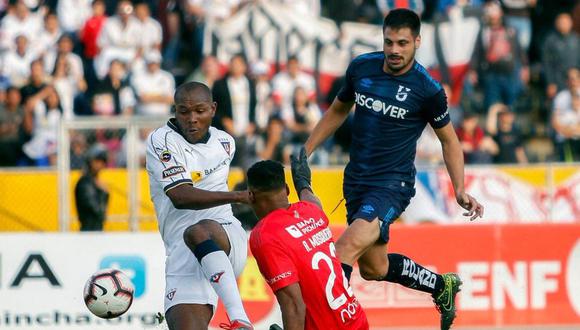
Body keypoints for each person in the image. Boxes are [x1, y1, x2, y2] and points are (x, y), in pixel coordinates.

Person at [299, 9, 484, 330]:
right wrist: (306, 150)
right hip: (355, 181)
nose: (394, 50)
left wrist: (459, 189)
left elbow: (450, 142)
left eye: (402, 43)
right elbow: (338, 109)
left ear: (417, 42)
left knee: (341, 250)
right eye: (389, 42)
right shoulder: (361, 68)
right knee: (374, 267)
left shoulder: (427, 89)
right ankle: (442, 286)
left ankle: (310, 325)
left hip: (391, 186)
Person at [145, 81, 253, 330]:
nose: (192, 118)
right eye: (184, 111)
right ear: (175, 111)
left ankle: (240, 319)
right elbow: (181, 197)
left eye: (200, 111)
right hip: (182, 252)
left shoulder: (226, 142)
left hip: (224, 236)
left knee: (198, 230)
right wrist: (237, 197)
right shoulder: (161, 141)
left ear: (213, 109)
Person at [247, 160, 369, 330]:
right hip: (356, 320)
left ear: (251, 196)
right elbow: (312, 200)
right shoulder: (311, 211)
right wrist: (303, 182)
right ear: (288, 190)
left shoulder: (264, 236)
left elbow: (294, 305)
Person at [74, 144, 109, 231]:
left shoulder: (93, 182)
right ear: (90, 162)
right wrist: (103, 193)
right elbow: (97, 212)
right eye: (97, 161)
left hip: (95, 230)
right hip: (89, 232)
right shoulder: (85, 183)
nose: (100, 165)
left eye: (102, 161)